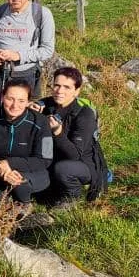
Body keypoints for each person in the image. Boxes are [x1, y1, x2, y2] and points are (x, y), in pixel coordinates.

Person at [32, 67, 109, 207]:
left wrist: (58, 132)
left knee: (63, 169)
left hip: (82, 163)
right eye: (57, 85)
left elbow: (74, 154)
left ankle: (72, 197)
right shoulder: (48, 105)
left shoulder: (84, 114)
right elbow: (43, 102)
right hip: (53, 158)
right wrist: (34, 109)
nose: (59, 91)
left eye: (67, 87)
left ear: (76, 91)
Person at [0, 79, 53, 211]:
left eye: (21, 101)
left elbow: (46, 158)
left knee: (20, 185)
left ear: (28, 102)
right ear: (2, 97)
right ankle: (7, 202)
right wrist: (4, 169)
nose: (15, 105)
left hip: (31, 172)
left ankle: (24, 204)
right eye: (10, 99)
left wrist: (10, 163)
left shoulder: (41, 122)